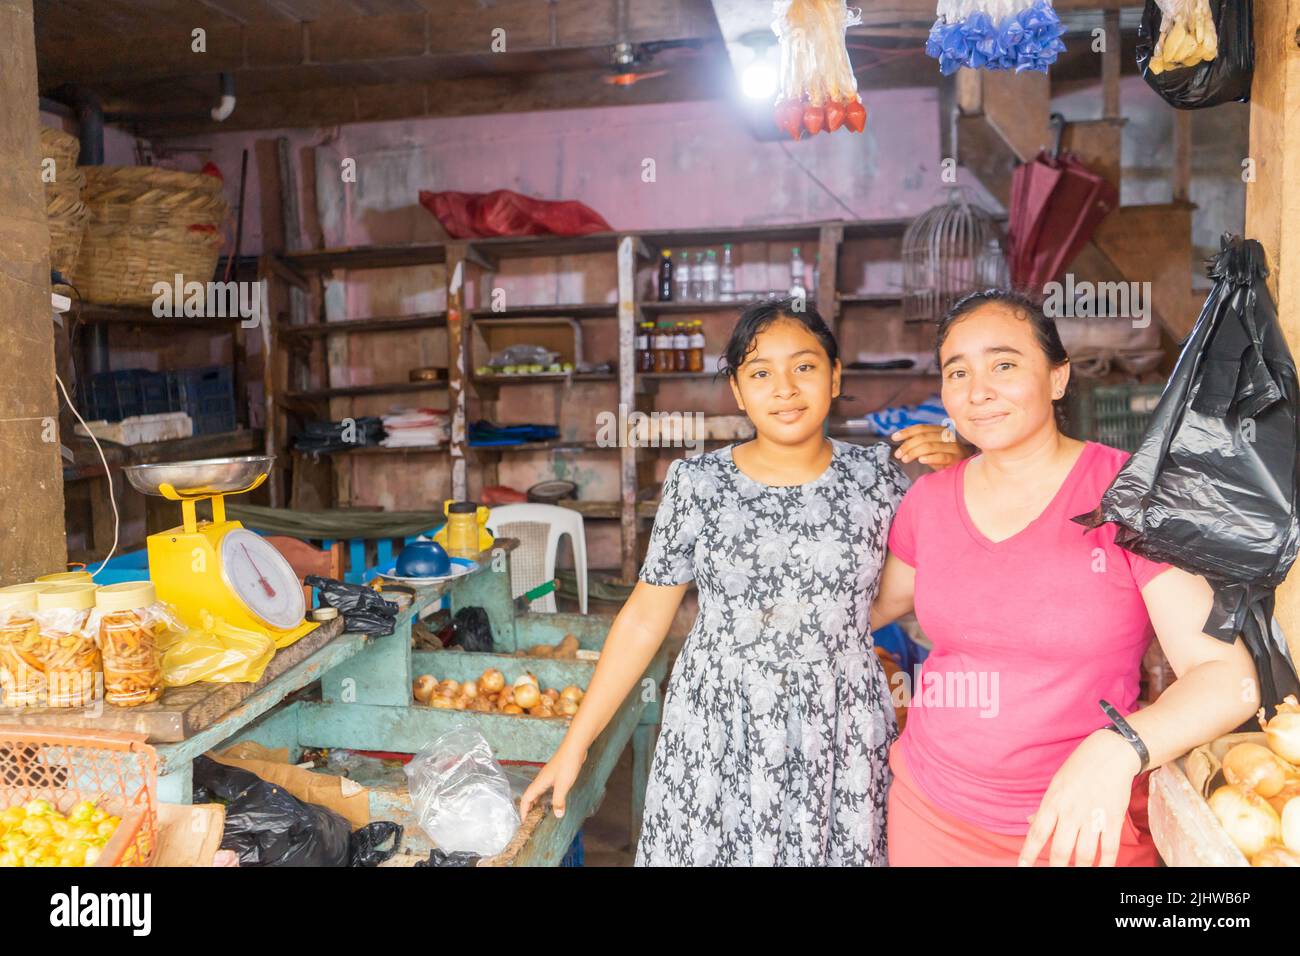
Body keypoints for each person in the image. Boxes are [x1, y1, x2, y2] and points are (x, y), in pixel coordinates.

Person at [520, 299, 958, 865]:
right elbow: (645, 617)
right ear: (737, 391)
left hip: (839, 721)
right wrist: (573, 745)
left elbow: (912, 585)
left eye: (803, 366)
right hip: (716, 720)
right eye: (759, 372)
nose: (784, 388)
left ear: (835, 376)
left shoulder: (878, 477)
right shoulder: (696, 482)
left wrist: (963, 472)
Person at [872, 289, 1260, 867]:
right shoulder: (928, 501)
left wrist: (1118, 747)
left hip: (1082, 822)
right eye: (959, 372)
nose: (979, 391)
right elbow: (864, 611)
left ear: (1058, 378)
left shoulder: (1127, 496)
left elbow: (1229, 682)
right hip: (932, 812)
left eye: (1004, 365)